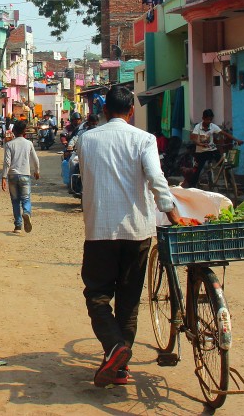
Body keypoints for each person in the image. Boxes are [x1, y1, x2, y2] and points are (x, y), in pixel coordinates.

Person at [77, 86, 184, 388]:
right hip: (137, 231)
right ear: (131, 112)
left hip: (100, 230)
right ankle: (121, 364)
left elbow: (87, 179)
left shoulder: (86, 140)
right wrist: (171, 211)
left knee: (97, 295)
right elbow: (156, 178)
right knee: (128, 299)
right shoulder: (144, 139)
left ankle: (115, 348)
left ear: (105, 110)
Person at [187, 109, 243, 188]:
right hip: (201, 152)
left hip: (212, 150)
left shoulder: (213, 126)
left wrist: (237, 140)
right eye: (207, 119)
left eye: (210, 119)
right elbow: (194, 139)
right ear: (203, 118)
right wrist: (201, 144)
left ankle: (232, 185)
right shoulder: (198, 127)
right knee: (197, 170)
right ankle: (191, 187)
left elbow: (225, 133)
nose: (209, 121)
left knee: (225, 166)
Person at [1, 120, 40, 233]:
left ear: (13, 131)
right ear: (25, 131)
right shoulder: (29, 143)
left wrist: (3, 177)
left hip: (12, 175)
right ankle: (26, 213)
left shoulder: (9, 144)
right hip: (25, 175)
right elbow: (35, 160)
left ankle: (18, 226)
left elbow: (7, 162)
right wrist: (37, 171)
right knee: (26, 198)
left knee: (15, 200)